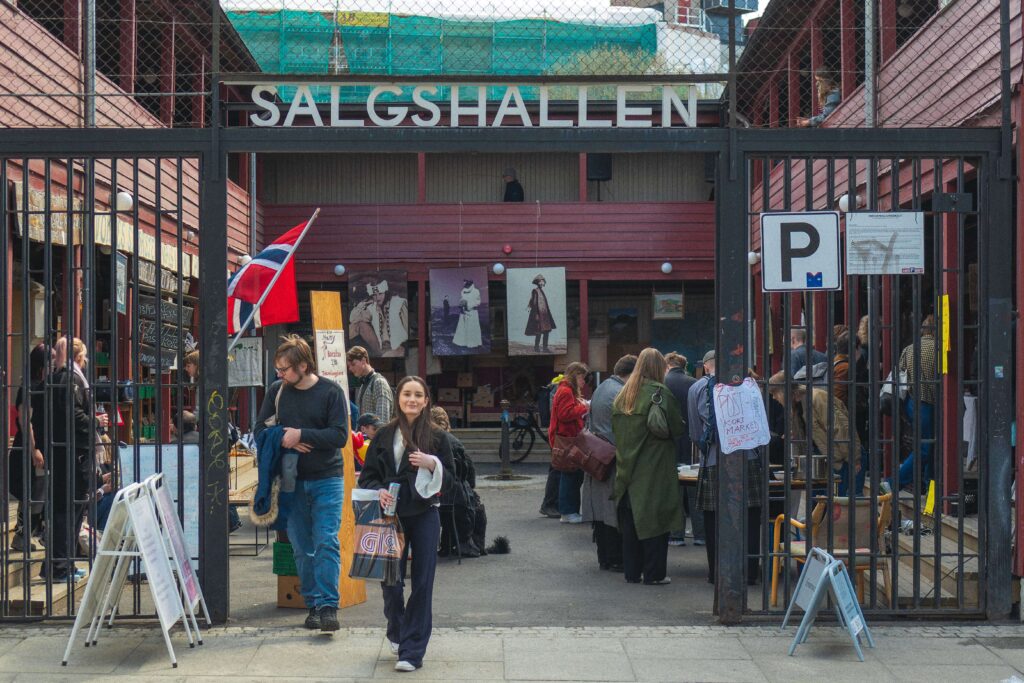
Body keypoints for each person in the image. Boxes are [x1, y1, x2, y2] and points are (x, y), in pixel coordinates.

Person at [359, 376, 454, 673]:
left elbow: (453, 481)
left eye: (418, 395)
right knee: (391, 581)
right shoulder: (384, 435)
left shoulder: (438, 437)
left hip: (425, 513)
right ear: (398, 398)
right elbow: (368, 476)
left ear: (426, 400)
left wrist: (431, 464)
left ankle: (412, 651)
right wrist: (380, 490)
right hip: (390, 514)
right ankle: (397, 629)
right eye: (406, 394)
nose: (412, 400)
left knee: (423, 582)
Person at [254, 335, 348, 633]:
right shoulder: (277, 391)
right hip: (291, 480)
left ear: (303, 365)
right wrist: (286, 437)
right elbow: (258, 430)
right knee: (301, 547)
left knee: (326, 541)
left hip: (328, 478)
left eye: (284, 369)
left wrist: (302, 435)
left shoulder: (331, 392)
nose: (279, 374)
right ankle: (313, 604)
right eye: (278, 369)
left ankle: (328, 606)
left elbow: (340, 436)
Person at [688, 350, 762, 585]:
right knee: (749, 514)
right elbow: (760, 423)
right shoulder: (749, 386)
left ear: (708, 366)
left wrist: (707, 448)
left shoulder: (697, 389)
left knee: (713, 518)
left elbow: (695, 432)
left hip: (713, 458)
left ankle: (716, 572)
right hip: (747, 457)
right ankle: (749, 571)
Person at [611, 348, 683, 585]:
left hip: (625, 466)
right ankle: (654, 574)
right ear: (658, 367)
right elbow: (677, 428)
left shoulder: (623, 395)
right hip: (654, 467)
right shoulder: (659, 392)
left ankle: (632, 572)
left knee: (630, 523)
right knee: (656, 521)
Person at [45, 338, 107, 582]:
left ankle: (63, 564)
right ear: (79, 356)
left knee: (71, 509)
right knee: (70, 509)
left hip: (67, 450)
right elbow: (73, 413)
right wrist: (96, 422)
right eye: (85, 356)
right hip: (73, 451)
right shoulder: (71, 378)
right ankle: (61, 566)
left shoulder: (63, 376)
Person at [769, 370, 865, 497]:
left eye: (774, 393)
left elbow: (841, 429)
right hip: (827, 460)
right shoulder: (795, 406)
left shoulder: (816, 398)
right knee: (823, 505)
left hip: (845, 458)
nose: (774, 397)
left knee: (843, 505)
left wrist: (854, 458)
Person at [582, 354, 636, 572]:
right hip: (611, 458)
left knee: (602, 515)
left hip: (597, 457)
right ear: (630, 374)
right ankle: (614, 558)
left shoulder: (602, 387)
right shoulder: (620, 392)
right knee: (613, 513)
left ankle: (605, 557)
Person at [8, 343, 51, 552]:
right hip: (28, 449)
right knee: (30, 492)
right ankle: (22, 535)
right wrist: (34, 449)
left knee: (38, 493)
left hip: (40, 448)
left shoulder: (44, 385)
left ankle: (32, 533)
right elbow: (26, 422)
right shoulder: (30, 387)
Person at [432, 407, 483, 558]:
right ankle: (467, 543)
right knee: (475, 502)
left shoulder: (425, 440)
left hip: (432, 496)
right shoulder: (455, 442)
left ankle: (445, 545)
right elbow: (469, 475)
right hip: (456, 498)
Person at [896, 314, 938, 491]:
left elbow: (901, 374)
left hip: (914, 403)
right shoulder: (939, 349)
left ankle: (929, 484)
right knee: (927, 448)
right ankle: (894, 482)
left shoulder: (909, 349)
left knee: (927, 445)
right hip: (932, 402)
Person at [663, 352, 701, 547]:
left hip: (670, 444)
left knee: (674, 491)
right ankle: (700, 534)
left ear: (667, 365)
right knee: (695, 491)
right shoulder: (695, 384)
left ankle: (675, 534)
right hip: (693, 444)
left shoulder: (662, 384)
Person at [549, 362, 590, 524]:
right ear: (576, 375)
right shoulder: (566, 390)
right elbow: (566, 414)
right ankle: (568, 511)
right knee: (570, 475)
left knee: (570, 474)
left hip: (566, 437)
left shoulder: (564, 389)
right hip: (568, 438)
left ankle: (569, 511)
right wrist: (585, 407)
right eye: (582, 378)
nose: (584, 382)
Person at [349, 278, 409, 358]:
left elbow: (406, 326)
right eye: (374, 295)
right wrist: (363, 304)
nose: (377, 298)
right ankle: (380, 353)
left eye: (380, 294)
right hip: (382, 348)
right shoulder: (372, 307)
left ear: (386, 292)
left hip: (399, 346)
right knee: (358, 324)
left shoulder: (399, 303)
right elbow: (353, 319)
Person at [347, 346, 395, 422]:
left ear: (363, 361)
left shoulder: (379, 382)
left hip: (377, 433)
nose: (350, 369)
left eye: (353, 364)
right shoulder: (364, 384)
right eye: (349, 366)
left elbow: (382, 419)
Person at [525, 274, 556, 353]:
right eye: (542, 281)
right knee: (538, 331)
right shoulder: (535, 291)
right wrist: (536, 314)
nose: (543, 282)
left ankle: (545, 348)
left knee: (546, 331)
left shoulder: (541, 291)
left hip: (545, 314)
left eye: (543, 281)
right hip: (539, 314)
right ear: (538, 282)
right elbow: (534, 302)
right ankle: (536, 348)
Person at [452, 279, 482, 349]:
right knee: (463, 327)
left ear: (469, 283)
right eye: (464, 283)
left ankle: (473, 343)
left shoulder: (476, 291)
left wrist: (468, 305)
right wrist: (462, 304)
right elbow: (462, 299)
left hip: (472, 311)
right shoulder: (463, 291)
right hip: (464, 312)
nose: (464, 284)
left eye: (465, 283)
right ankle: (462, 342)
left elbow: (478, 302)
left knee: (472, 327)